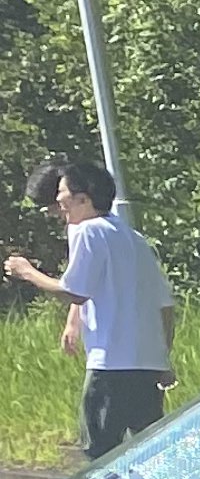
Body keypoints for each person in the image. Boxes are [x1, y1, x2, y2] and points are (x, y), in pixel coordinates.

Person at [6, 156, 175, 459]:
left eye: (62, 196)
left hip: (110, 367)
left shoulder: (87, 230)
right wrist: (162, 359)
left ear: (83, 199)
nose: (59, 205)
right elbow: (165, 307)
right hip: (146, 367)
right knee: (151, 454)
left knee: (100, 455)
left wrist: (27, 271)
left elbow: (74, 290)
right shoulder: (134, 238)